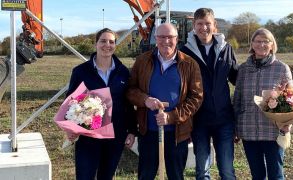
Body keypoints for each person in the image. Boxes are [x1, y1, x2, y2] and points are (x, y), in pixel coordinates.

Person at [127, 23, 203, 180]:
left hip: (177, 133)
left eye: (170, 37)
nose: (166, 41)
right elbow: (130, 90)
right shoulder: (142, 61)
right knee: (145, 175)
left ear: (177, 39)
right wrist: (145, 100)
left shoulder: (189, 64)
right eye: (162, 37)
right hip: (148, 132)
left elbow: (196, 97)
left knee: (176, 175)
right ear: (155, 38)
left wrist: (171, 117)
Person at [66, 28, 137, 180]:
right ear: (96, 44)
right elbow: (71, 101)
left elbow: (128, 104)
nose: (107, 45)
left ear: (115, 45)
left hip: (115, 135)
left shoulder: (123, 72)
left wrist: (131, 130)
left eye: (111, 42)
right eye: (103, 41)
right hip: (88, 136)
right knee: (85, 176)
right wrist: (70, 128)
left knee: (107, 176)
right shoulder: (80, 71)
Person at [180, 8, 239, 180]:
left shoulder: (226, 48)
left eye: (207, 24)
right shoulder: (185, 52)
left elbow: (237, 78)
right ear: (194, 25)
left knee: (227, 171)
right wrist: (186, 121)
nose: (203, 28)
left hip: (224, 119)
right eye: (200, 24)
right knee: (202, 171)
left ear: (214, 26)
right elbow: (181, 87)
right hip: (199, 120)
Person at [233, 28, 293, 180]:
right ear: (252, 44)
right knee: (257, 175)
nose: (262, 45)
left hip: (273, 131)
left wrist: (288, 125)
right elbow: (238, 99)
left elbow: (292, 101)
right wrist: (235, 126)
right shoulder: (243, 69)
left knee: (276, 175)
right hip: (248, 131)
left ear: (272, 45)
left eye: (266, 41)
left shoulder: (281, 68)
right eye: (258, 41)